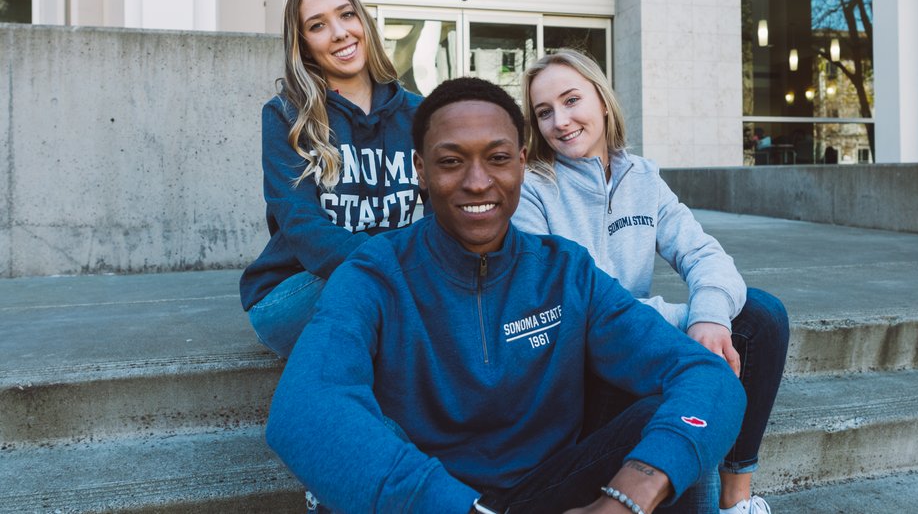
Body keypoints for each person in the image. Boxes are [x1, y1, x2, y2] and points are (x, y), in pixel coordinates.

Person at [266, 77, 747, 514]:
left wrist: (631, 493)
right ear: (420, 169)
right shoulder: (375, 273)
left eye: (497, 158)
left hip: (551, 488)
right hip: (434, 498)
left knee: (672, 437)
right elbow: (303, 408)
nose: (478, 182)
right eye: (452, 161)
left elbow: (705, 375)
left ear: (521, 162)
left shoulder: (564, 270)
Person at [512, 50, 789, 514]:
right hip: (584, 366)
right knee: (691, 378)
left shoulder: (641, 175)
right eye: (544, 112)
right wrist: (685, 321)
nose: (560, 121)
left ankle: (736, 499)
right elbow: (578, 308)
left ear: (602, 100)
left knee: (761, 315)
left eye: (571, 100)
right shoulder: (532, 189)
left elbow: (702, 253)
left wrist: (709, 315)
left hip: (640, 340)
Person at [240, 0, 423, 358]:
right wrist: (395, 264)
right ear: (304, 45)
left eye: (346, 15)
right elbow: (300, 222)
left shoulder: (420, 114)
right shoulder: (286, 116)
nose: (340, 33)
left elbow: (444, 212)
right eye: (318, 25)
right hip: (299, 288)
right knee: (392, 298)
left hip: (391, 278)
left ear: (364, 24)